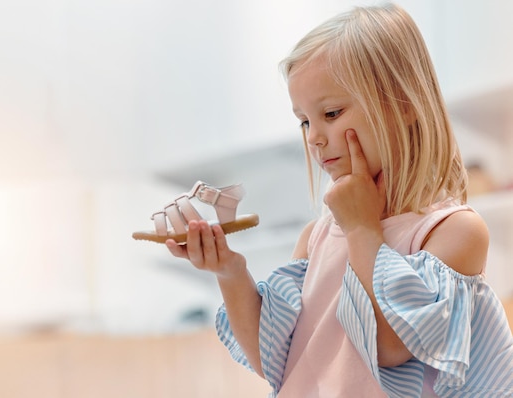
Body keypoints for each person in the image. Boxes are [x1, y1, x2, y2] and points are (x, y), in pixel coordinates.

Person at [162, 3, 513, 397]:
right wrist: (228, 270)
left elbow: (391, 346)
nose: (313, 136)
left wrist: (361, 227)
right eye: (305, 120)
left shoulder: (453, 231)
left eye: (331, 112)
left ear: (406, 104)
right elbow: (273, 359)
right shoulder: (316, 238)